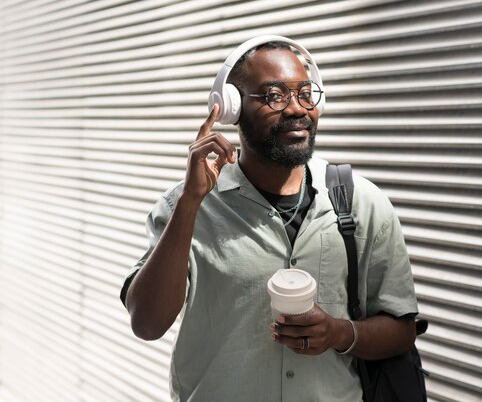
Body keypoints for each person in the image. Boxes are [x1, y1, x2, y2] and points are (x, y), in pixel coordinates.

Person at [120, 36, 418, 402]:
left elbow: (402, 328)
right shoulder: (187, 205)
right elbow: (147, 323)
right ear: (230, 109)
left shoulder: (362, 202)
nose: (296, 109)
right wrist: (189, 203)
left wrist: (340, 333)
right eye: (274, 96)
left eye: (305, 93)